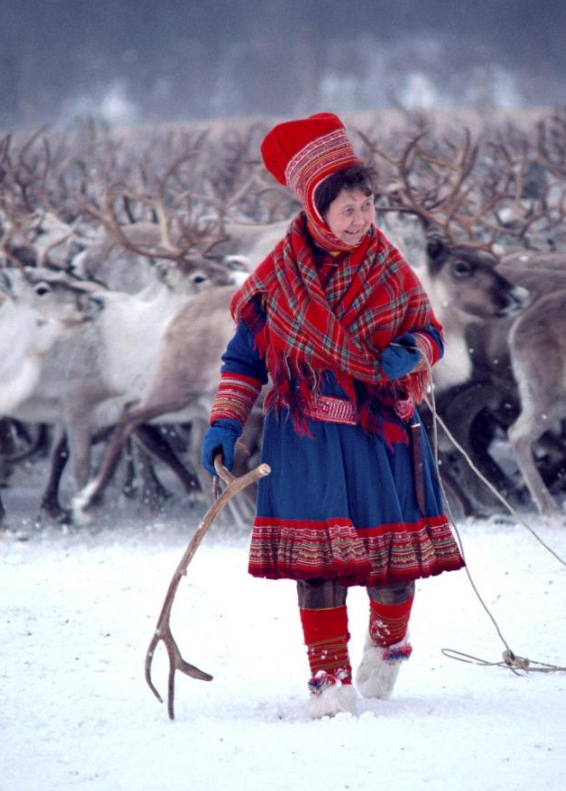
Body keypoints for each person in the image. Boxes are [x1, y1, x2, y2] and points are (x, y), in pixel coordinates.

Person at [200, 112, 465, 718]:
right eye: (349, 209)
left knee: (392, 569)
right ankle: (329, 680)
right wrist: (225, 424)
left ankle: (387, 646)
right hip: (306, 438)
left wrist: (412, 354)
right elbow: (244, 362)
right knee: (316, 568)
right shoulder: (276, 281)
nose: (362, 220)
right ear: (318, 210)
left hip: (381, 434)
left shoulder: (390, 267)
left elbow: (431, 333)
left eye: (368, 206)